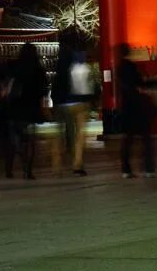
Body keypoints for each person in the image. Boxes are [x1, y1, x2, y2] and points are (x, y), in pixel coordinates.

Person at [52, 34, 95, 176]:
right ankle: (77, 164)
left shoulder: (59, 59)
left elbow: (57, 82)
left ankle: (57, 165)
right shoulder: (78, 56)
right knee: (80, 134)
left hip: (60, 102)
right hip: (78, 100)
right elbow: (85, 77)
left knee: (60, 134)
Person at [114, 44, 157, 179]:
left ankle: (126, 170)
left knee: (128, 139)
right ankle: (148, 168)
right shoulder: (132, 67)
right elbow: (140, 83)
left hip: (127, 107)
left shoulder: (119, 68)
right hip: (138, 107)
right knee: (146, 138)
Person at [6, 42, 47, 179]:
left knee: (14, 139)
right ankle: (27, 169)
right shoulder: (38, 69)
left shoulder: (14, 67)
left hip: (15, 107)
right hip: (32, 108)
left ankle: (11, 167)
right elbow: (43, 90)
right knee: (30, 141)